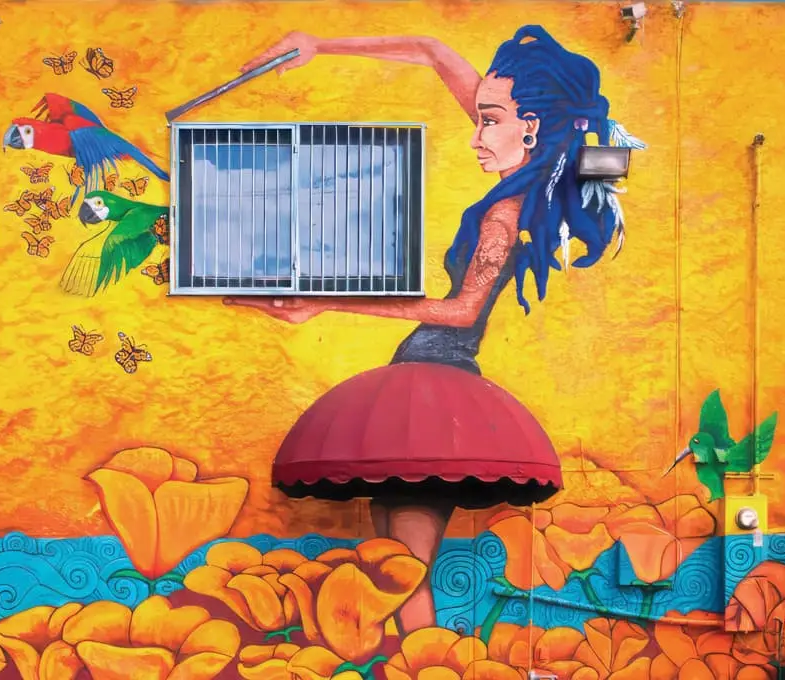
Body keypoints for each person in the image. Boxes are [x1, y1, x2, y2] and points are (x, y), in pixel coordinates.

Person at [226, 25, 642, 633]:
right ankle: (420, 661)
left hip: (441, 384)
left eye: (488, 121)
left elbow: (464, 312)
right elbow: (429, 50)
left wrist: (327, 302)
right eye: (477, 118)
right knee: (394, 562)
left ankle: (428, 662)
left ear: (529, 126)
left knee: (407, 566)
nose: (475, 136)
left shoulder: (506, 214)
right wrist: (321, 44)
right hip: (416, 380)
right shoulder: (515, 169)